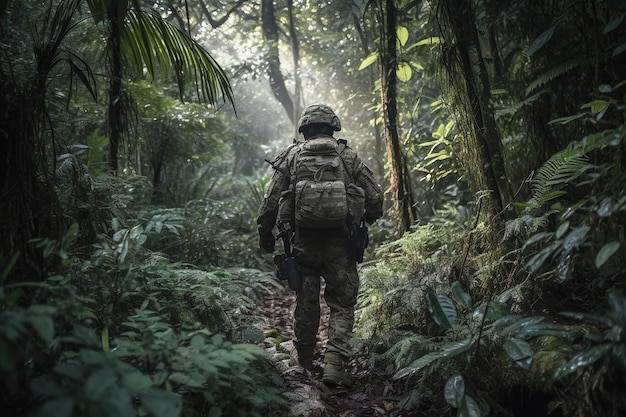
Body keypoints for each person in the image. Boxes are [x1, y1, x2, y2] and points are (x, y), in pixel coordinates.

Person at [257, 104, 383, 387]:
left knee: (307, 301)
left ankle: (302, 362)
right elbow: (375, 197)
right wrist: (367, 217)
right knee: (341, 303)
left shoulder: (291, 157)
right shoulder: (347, 156)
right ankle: (335, 366)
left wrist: (265, 235)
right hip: (342, 244)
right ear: (332, 126)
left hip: (304, 245)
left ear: (304, 129)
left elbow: (270, 202)